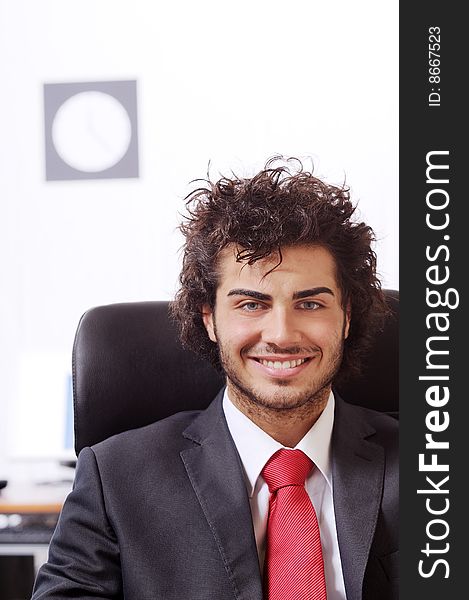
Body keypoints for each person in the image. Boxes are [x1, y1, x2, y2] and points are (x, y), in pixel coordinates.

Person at [32, 157, 398, 600]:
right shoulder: (116, 479)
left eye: (311, 304)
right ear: (209, 318)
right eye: (250, 304)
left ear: (346, 317)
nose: (281, 334)